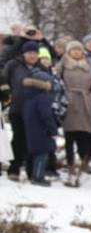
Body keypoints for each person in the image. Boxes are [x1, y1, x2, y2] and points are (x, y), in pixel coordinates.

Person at [3, 40, 42, 180]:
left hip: (36, 110)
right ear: (24, 53)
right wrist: (7, 94)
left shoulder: (41, 67)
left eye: (35, 53)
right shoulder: (13, 65)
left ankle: (32, 170)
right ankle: (14, 169)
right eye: (29, 53)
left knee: (32, 140)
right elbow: (3, 78)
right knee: (18, 138)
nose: (32, 56)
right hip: (17, 107)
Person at [60, 41, 91, 179]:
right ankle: (70, 164)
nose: (76, 52)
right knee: (69, 136)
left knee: (84, 135)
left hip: (85, 103)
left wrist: (90, 98)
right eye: (73, 50)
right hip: (69, 102)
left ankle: (84, 161)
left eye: (78, 50)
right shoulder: (64, 66)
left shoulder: (88, 67)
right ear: (69, 52)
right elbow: (56, 80)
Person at [20, 66, 56, 185]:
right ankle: (38, 177)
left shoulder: (27, 96)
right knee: (42, 154)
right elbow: (46, 115)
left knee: (33, 153)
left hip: (30, 129)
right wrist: (53, 129)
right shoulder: (43, 97)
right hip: (42, 130)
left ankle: (31, 174)